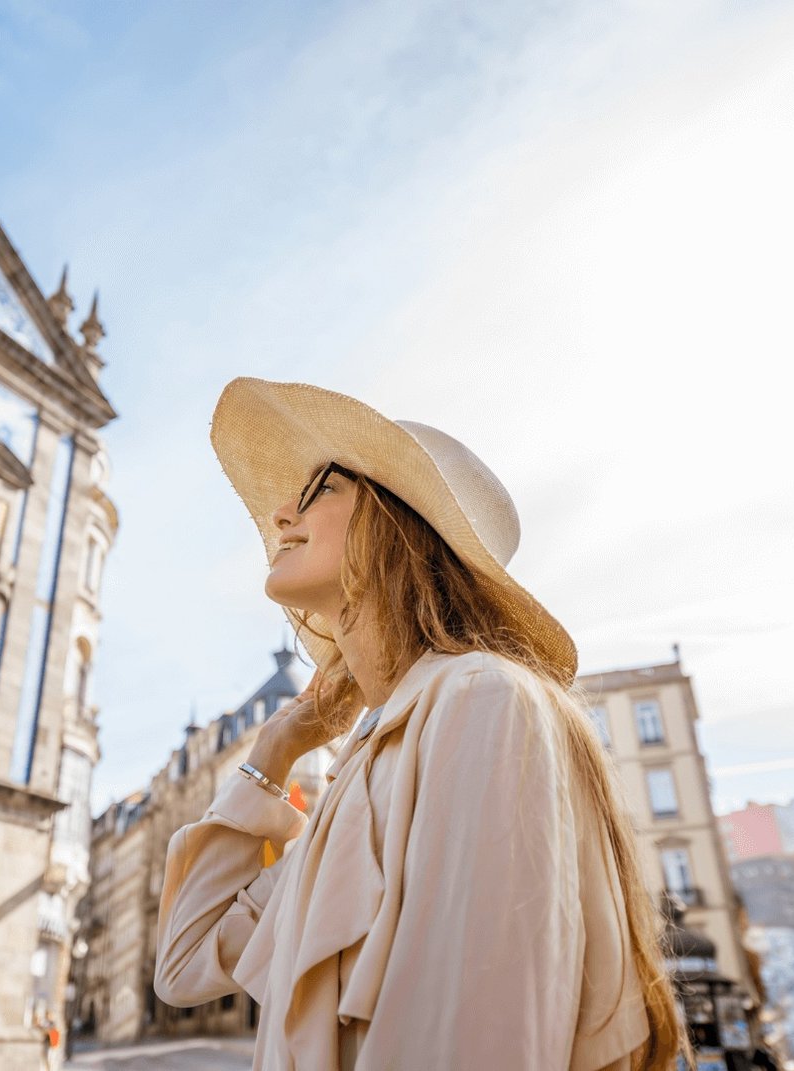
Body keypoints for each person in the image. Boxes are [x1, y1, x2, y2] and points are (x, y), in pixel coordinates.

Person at [154, 379, 688, 1069]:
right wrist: (274, 751)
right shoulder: (371, 764)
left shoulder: (484, 700)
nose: (282, 513)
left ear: (392, 522)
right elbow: (186, 961)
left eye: (320, 487)